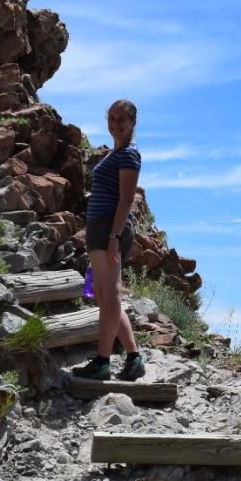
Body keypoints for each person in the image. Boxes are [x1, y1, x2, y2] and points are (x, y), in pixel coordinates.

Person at [73, 99, 146, 381]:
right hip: (99, 226)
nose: (116, 124)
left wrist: (115, 236)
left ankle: (103, 360)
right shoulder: (115, 154)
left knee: (110, 293)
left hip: (109, 227)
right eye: (112, 119)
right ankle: (134, 357)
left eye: (121, 120)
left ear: (132, 123)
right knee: (104, 294)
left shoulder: (129, 154)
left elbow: (127, 198)